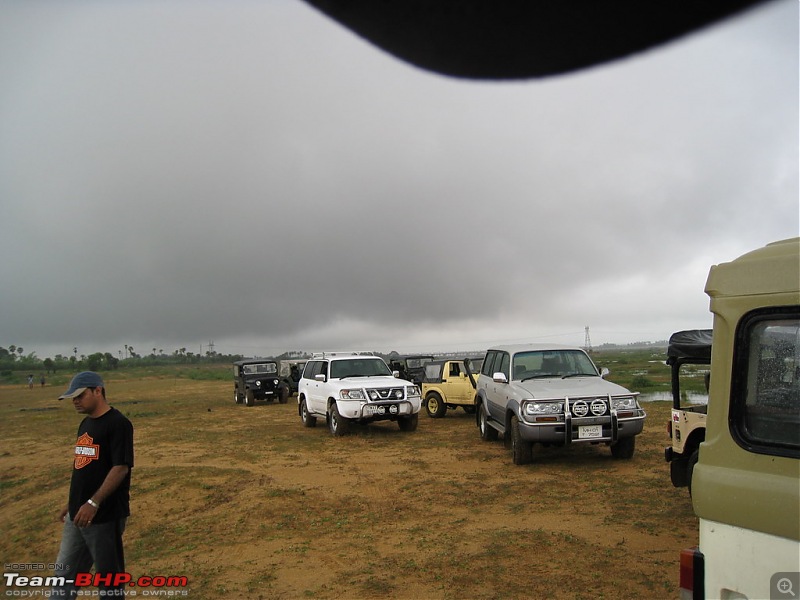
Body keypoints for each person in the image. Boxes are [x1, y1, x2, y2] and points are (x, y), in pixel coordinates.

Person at [51, 371, 134, 598]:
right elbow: (85, 468)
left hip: (104, 516)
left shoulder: (118, 424)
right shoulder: (85, 424)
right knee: (64, 576)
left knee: (109, 582)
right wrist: (73, 503)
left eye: (80, 395)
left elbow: (120, 467)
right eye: (73, 398)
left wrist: (93, 502)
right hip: (77, 513)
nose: (75, 401)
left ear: (98, 391)